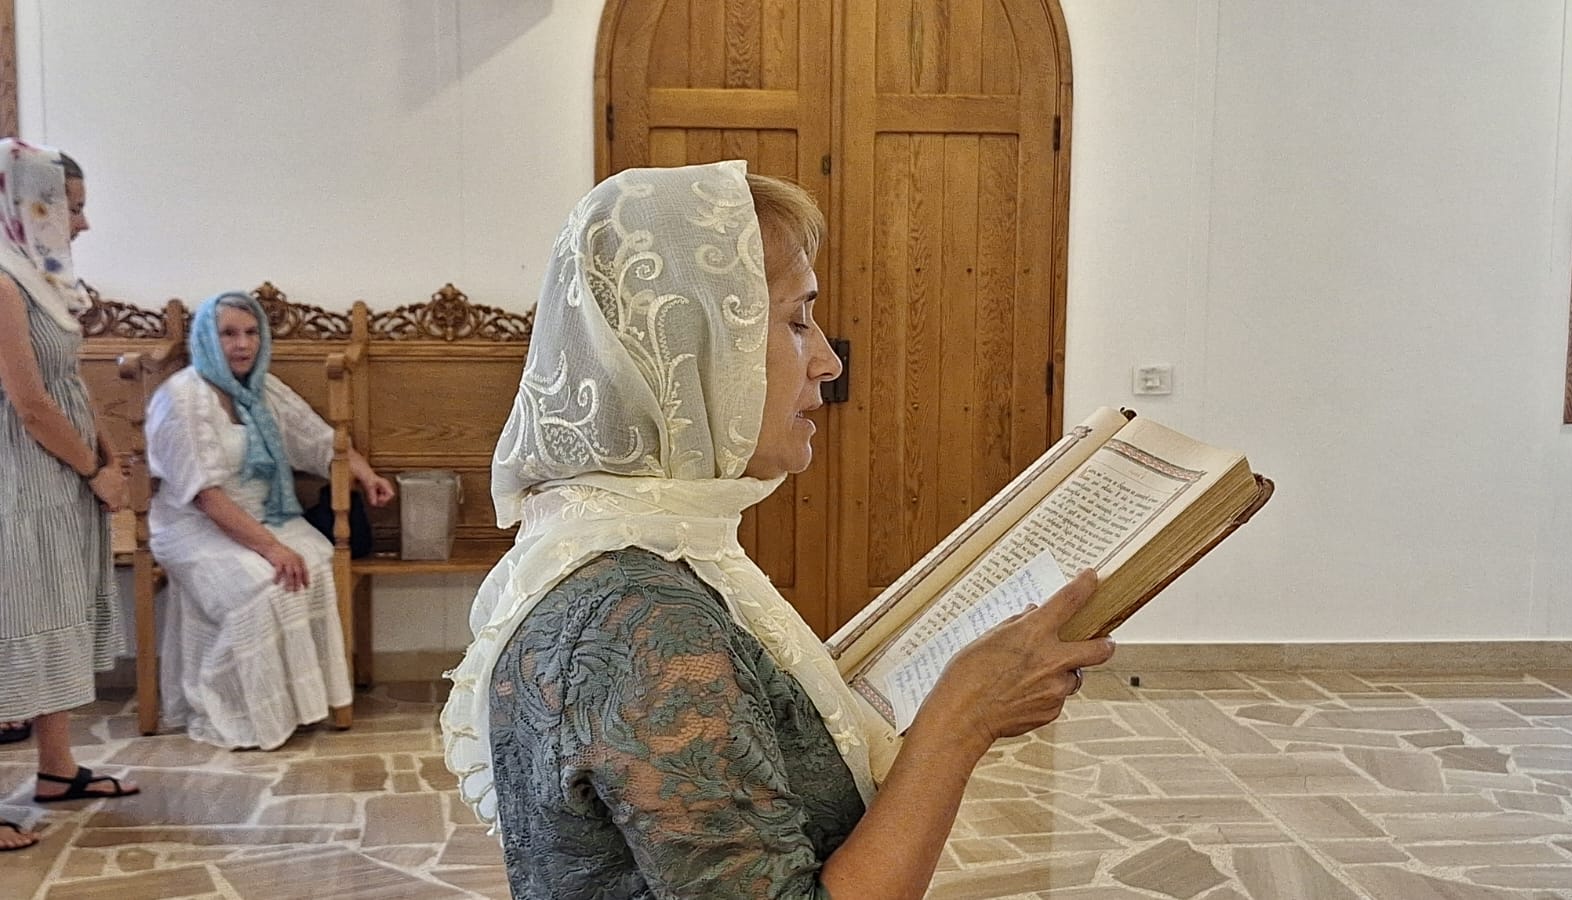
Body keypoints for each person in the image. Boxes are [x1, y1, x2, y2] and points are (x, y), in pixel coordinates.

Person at [440, 161, 1115, 898]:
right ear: (690, 349)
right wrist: (961, 721)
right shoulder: (641, 617)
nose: (826, 360)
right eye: (797, 321)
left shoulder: (628, 548)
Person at [144, 291, 394, 750]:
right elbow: (205, 496)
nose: (242, 345)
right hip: (193, 526)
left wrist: (367, 475)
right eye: (228, 334)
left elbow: (319, 441)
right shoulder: (182, 398)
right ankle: (236, 709)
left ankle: (300, 706)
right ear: (206, 339)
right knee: (263, 585)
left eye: (251, 333)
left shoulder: (263, 389)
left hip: (266, 513)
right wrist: (272, 548)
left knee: (315, 561)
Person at [0, 140, 137, 852]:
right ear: (28, 205)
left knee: (54, 612)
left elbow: (69, 383)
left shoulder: (39, 277)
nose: (81, 224)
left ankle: (56, 770)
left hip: (62, 473)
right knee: (14, 622)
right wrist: (92, 470)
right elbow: (29, 404)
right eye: (70, 208)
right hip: (22, 480)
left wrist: (109, 455)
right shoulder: (1, 282)